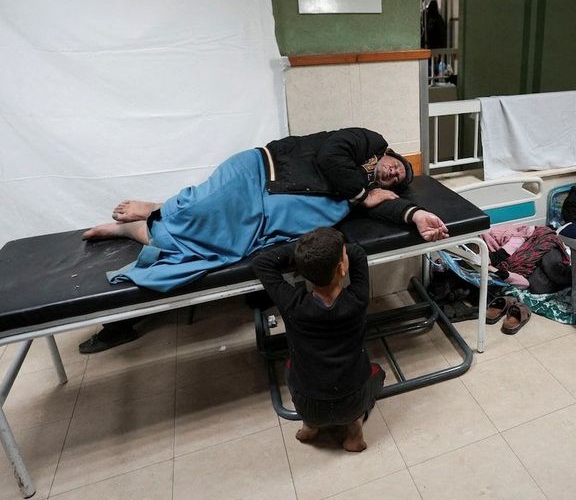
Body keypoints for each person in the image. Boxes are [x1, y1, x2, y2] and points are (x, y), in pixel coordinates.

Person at [79, 127, 449, 353]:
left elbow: (385, 205)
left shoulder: (367, 190)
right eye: (397, 166)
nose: (394, 174)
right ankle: (156, 208)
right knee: (201, 208)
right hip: (258, 175)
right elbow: (330, 157)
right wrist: (362, 195)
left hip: (266, 215)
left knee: (213, 248)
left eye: (397, 179)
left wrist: (416, 214)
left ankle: (132, 228)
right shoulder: (367, 141)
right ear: (388, 154)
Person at [252, 226, 385, 452]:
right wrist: (332, 251)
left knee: (291, 367)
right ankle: (354, 436)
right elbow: (358, 253)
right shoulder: (358, 299)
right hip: (351, 402)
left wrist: (306, 255)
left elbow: (261, 262)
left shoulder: (292, 305)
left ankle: (310, 428)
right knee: (377, 373)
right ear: (341, 268)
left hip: (308, 404)